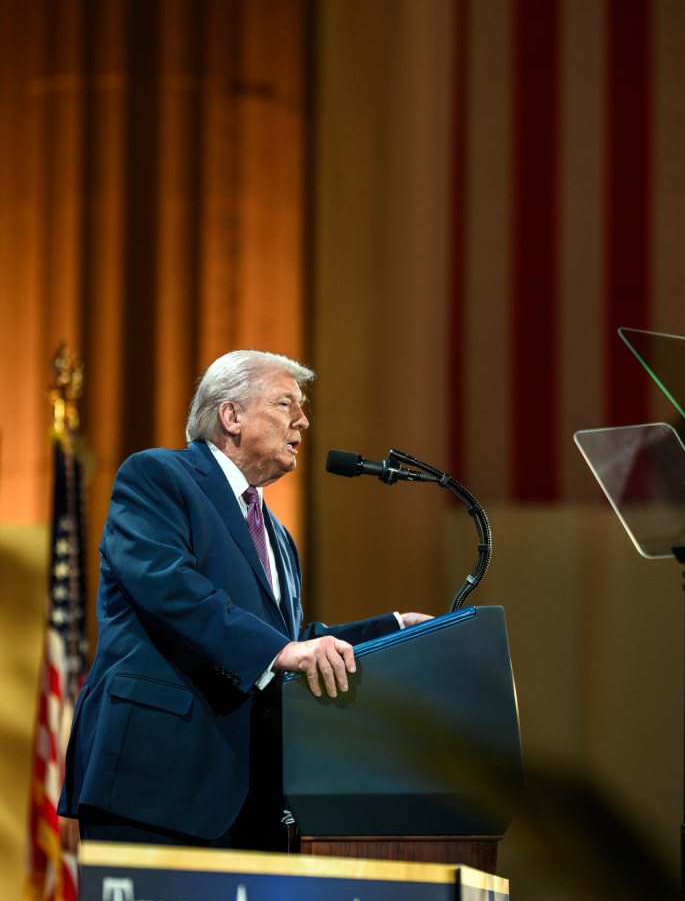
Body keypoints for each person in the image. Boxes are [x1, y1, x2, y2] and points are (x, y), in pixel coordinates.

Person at [58, 350, 431, 851]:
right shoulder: (157, 477)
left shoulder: (277, 534)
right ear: (231, 416)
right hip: (155, 784)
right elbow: (171, 588)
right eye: (285, 404)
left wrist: (394, 631)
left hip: (252, 798)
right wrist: (282, 651)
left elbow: (291, 642)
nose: (303, 420)